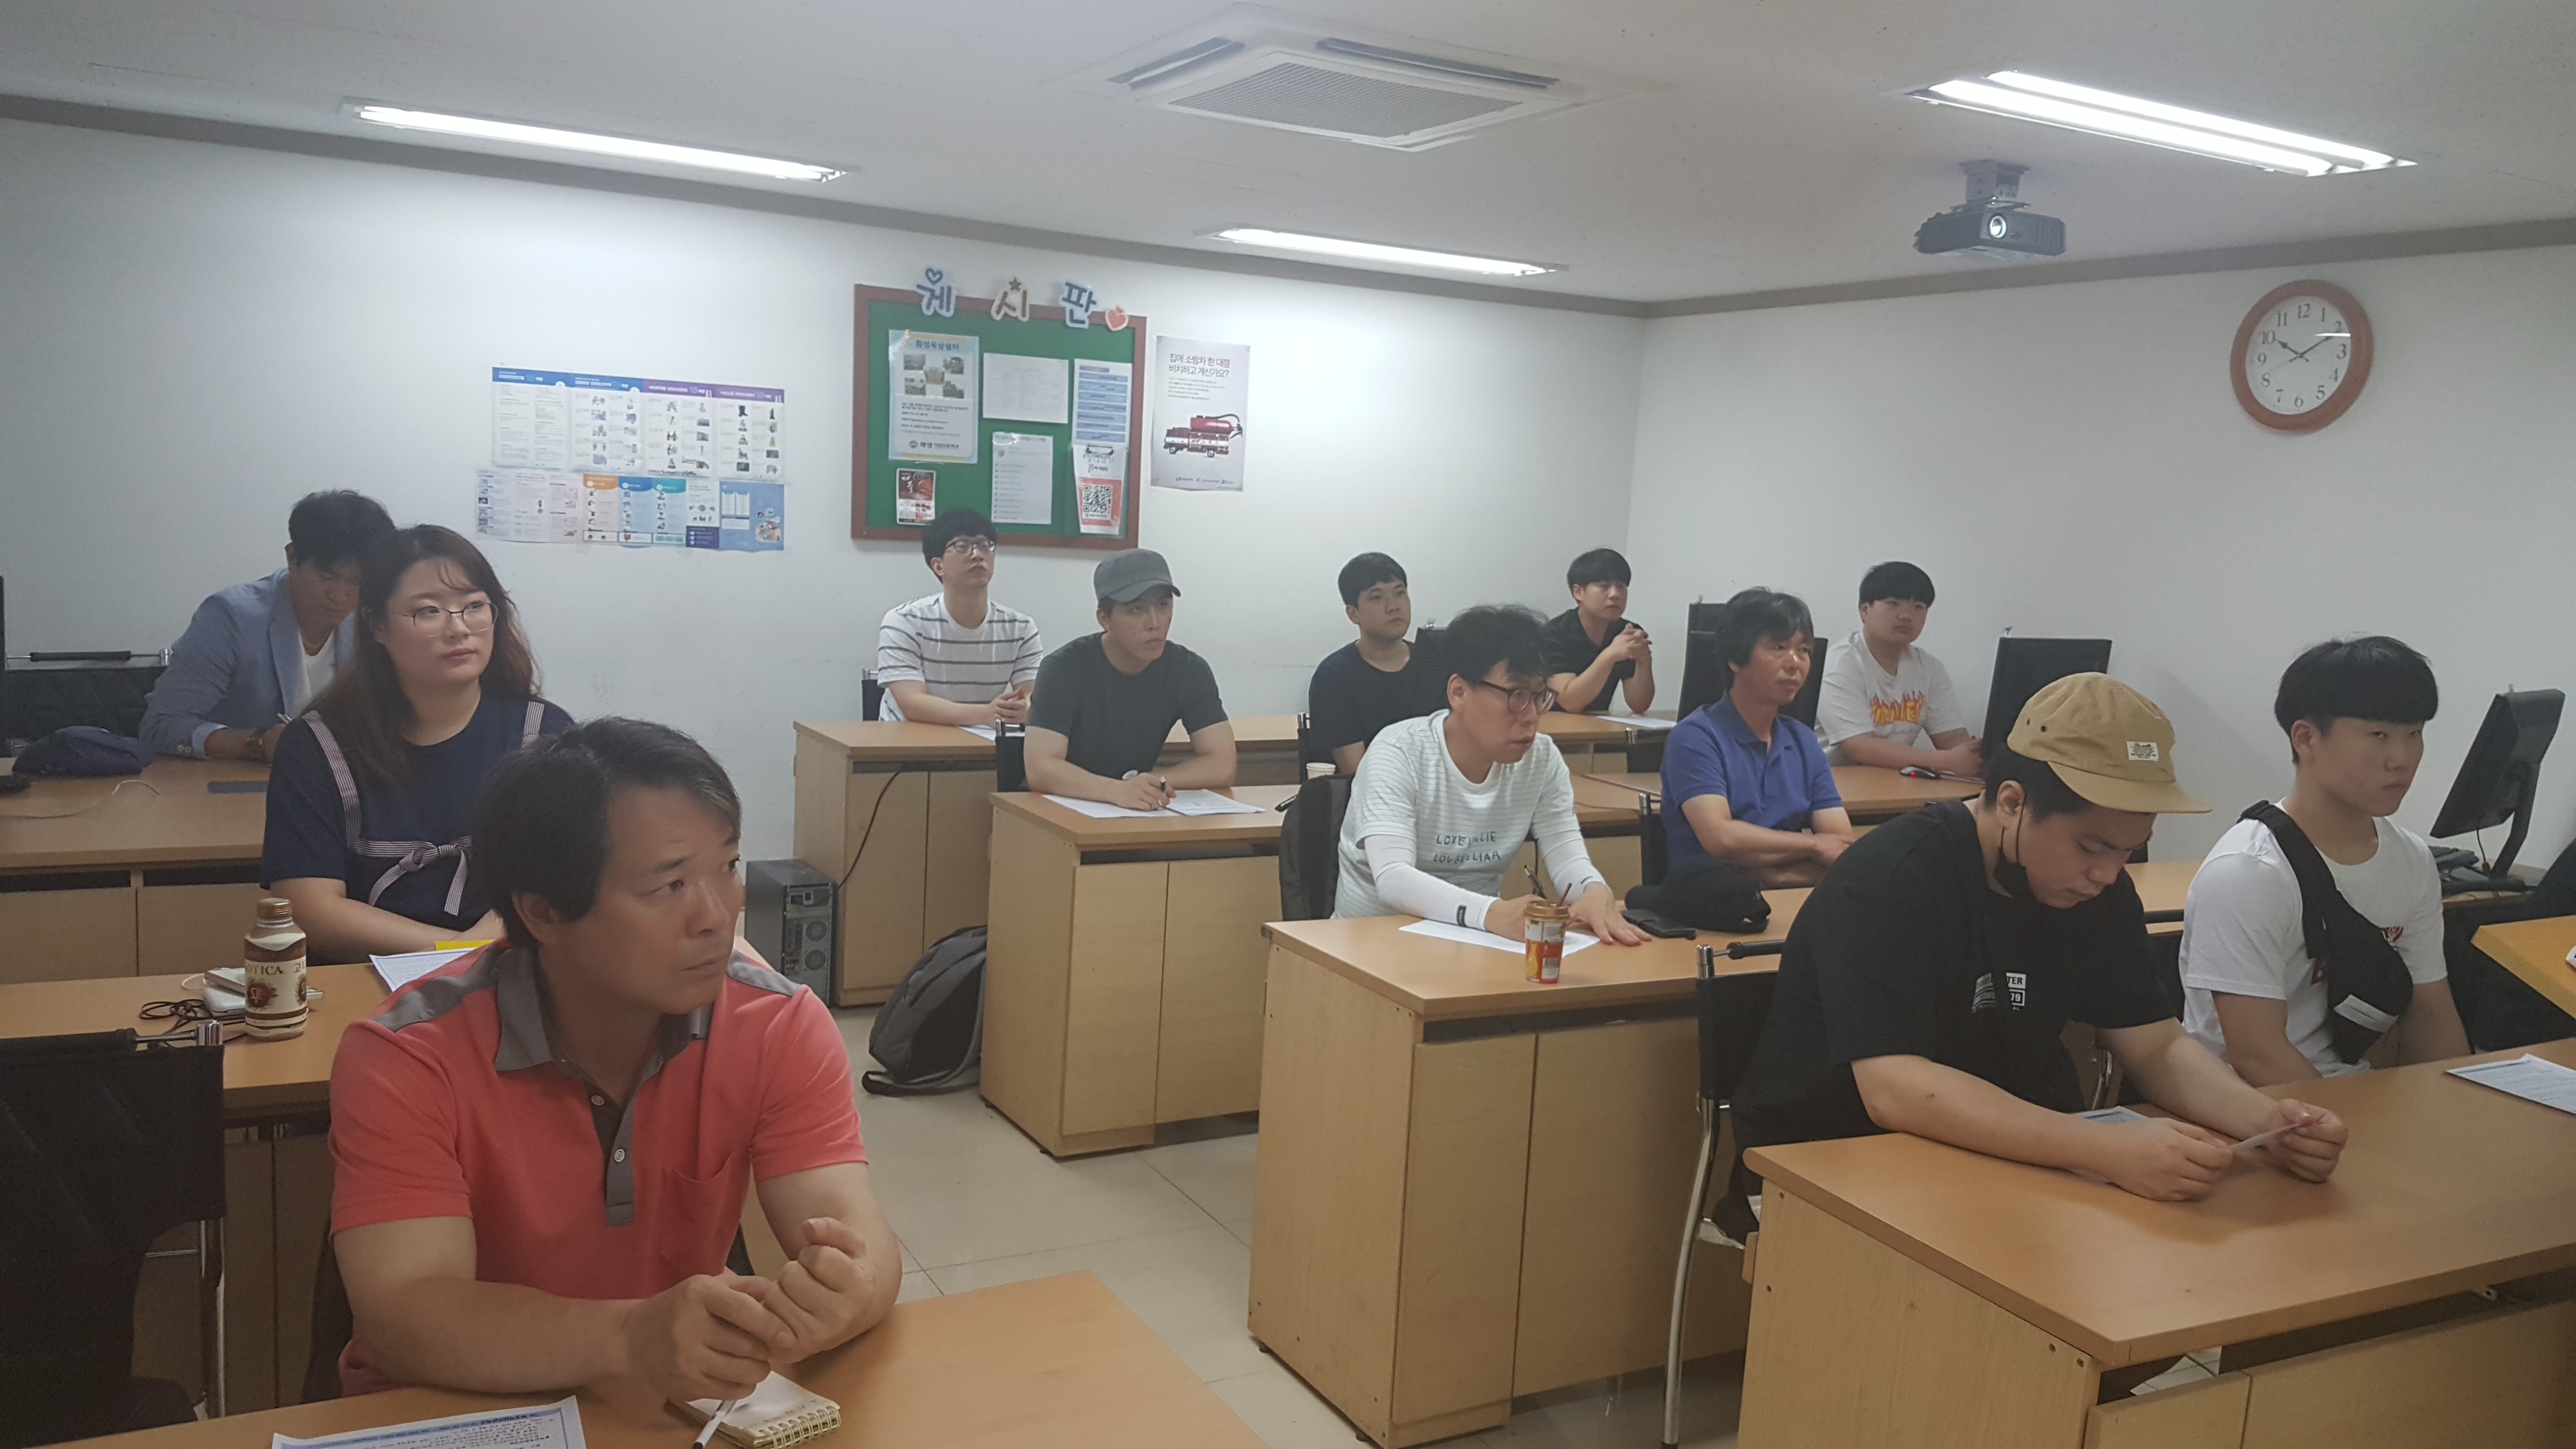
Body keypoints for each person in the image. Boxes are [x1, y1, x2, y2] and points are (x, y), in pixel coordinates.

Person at [328, 718, 899, 1400]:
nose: (717, 916)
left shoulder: (778, 1024)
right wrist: (630, 1338)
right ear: (542, 913)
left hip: (657, 1403)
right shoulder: (407, 1057)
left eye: (726, 868)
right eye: (670, 886)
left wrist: (851, 1289)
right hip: (459, 1410)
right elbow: (406, 1315)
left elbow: (858, 1234)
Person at [1734, 673, 2349, 1204]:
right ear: (2012, 803)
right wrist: (2102, 1147)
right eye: (2091, 847)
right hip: (1836, 1158)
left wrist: (2267, 1121)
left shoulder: (2098, 892)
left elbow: (2157, 1046)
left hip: (2016, 1152)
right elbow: (1895, 1089)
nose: (2107, 874)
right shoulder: (1892, 879)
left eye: (2128, 851)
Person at [264, 526, 573, 960]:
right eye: (428, 611)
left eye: (474, 606)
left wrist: (475, 952)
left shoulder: (543, 733)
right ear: (376, 625)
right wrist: (455, 952)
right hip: (364, 975)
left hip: (509, 967)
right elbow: (310, 908)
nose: (458, 628)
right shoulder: (317, 744)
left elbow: (556, 882)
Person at [2181, 638, 2469, 1084]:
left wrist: (2463, 1104)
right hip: (2248, 1104)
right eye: (2379, 736)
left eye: (2414, 734)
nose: (2402, 759)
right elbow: (2256, 1055)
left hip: (2355, 1094)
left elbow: (2430, 1011)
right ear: (2306, 738)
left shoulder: (2411, 859)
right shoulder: (2248, 873)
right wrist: (2342, 1123)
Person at [1333, 605, 1648, 947]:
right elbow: (1393, 878)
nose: (1531, 716)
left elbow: (1568, 857)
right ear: (1459, 693)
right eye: (1516, 696)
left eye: (1539, 697)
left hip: (1476, 943)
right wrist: (1490, 913)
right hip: (1374, 944)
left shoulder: (1540, 758)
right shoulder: (1398, 752)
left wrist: (1593, 888)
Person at [140, 490, 396, 760]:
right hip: (237, 780)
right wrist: (259, 743)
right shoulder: (231, 617)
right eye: (326, 576)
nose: (340, 596)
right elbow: (160, 727)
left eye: (356, 581)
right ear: (292, 557)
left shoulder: (373, 620)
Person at [1661, 589, 1854, 887]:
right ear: (1736, 660)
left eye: (1803, 650)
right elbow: (1721, 838)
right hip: (1713, 901)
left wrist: (1774, 875)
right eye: (1779, 647)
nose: (1795, 663)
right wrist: (1813, 846)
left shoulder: (1802, 739)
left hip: (1787, 897)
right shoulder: (1695, 737)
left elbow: (1840, 843)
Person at [1024, 549, 1234, 810]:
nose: (1154, 622)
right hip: (1059, 807)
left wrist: (1153, 784)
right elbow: (1041, 768)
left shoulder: (1188, 670)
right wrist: (1114, 790)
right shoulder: (1063, 669)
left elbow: (1221, 764)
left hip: (1134, 811)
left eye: (1163, 605)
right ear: (1104, 619)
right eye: (1136, 609)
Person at [874, 507, 1042, 726]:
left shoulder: (1020, 628)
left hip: (980, 741)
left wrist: (1022, 709)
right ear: (938, 565)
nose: (977, 554)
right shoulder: (903, 622)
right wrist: (986, 714)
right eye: (962, 546)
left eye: (985, 545)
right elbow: (912, 703)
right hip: (908, 741)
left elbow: (1032, 696)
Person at [1816, 560, 1981, 775]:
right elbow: (1860, 747)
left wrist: (1973, 755)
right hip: (1834, 783)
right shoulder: (1840, 665)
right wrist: (1947, 761)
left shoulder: (1929, 667)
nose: (1906, 616)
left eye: (1918, 607)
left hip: (1892, 782)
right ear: (1865, 610)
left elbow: (1950, 737)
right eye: (1893, 604)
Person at [1309, 552, 1447, 774]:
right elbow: (1357, 771)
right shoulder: (1334, 677)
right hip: (1375, 790)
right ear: (1353, 614)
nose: (1393, 606)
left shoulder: (1436, 664)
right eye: (1376, 597)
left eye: (1400, 593)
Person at [1543, 548, 1653, 714]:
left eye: (1621, 587)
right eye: (1603, 587)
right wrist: (1610, 655)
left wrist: (1644, 661)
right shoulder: (1553, 634)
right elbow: (1570, 703)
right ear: (1578, 592)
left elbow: (1638, 705)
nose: (1615, 594)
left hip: (1598, 725)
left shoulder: (1627, 632)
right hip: (1552, 725)